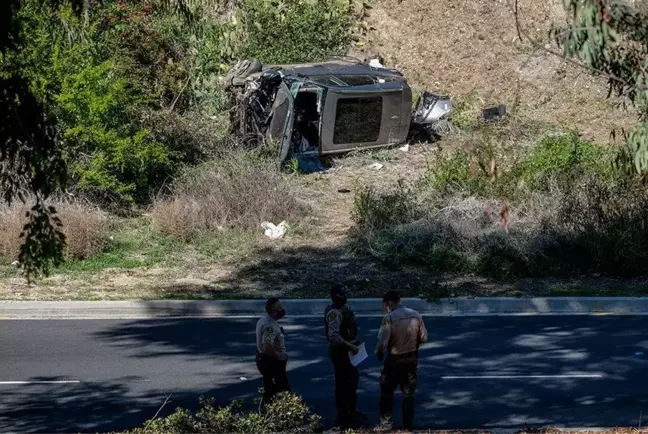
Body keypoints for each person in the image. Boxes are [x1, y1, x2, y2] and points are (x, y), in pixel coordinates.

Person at [375, 290, 428, 431]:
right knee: (409, 394)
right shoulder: (416, 315)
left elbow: (382, 344)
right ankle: (408, 427)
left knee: (387, 391)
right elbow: (424, 338)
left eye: (386, 305)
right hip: (411, 359)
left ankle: (385, 425)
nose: (386, 307)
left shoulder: (389, 318)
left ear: (390, 303)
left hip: (394, 360)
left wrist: (380, 354)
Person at [324, 284, 367, 428]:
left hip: (350, 350)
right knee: (344, 383)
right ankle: (344, 415)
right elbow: (334, 336)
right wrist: (351, 346)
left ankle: (352, 411)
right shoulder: (334, 313)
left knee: (352, 381)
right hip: (341, 352)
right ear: (336, 295)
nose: (345, 296)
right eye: (342, 294)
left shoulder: (344, 309)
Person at [256, 297, 290, 409]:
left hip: (268, 361)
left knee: (270, 389)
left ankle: (268, 411)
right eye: (279, 307)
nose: (282, 309)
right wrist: (279, 358)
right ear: (274, 311)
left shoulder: (264, 320)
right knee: (282, 390)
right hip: (272, 362)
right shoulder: (269, 326)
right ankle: (279, 414)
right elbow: (267, 347)